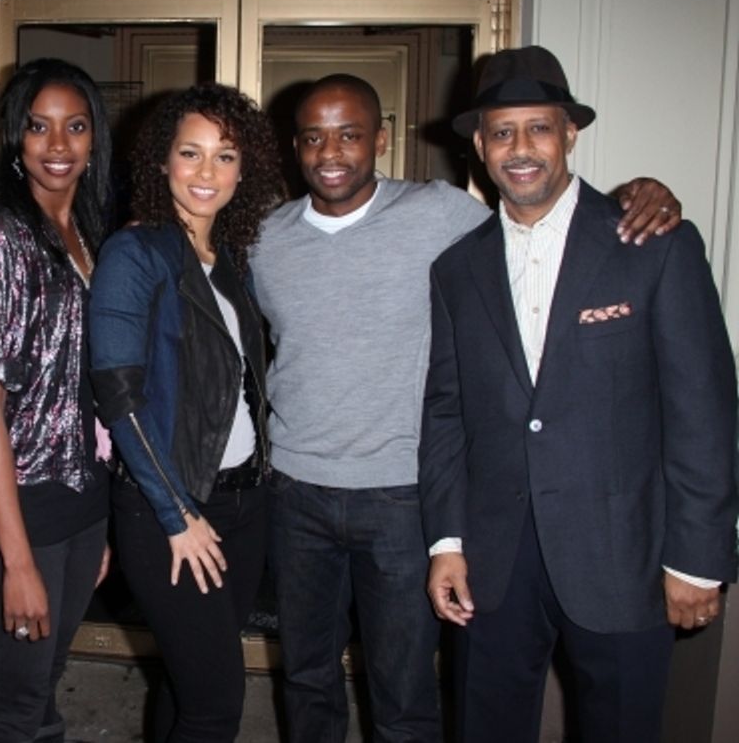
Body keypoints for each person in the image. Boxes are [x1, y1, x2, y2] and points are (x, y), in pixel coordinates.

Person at [250, 72, 685, 742]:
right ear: (295, 146)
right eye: (313, 137)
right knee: (305, 676)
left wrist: (640, 195)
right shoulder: (263, 238)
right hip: (296, 492)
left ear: (381, 140)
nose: (330, 152)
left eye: (349, 135)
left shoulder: (441, 214)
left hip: (401, 494)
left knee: (404, 687)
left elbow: (543, 220)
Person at [419, 45, 738, 743]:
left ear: (569, 133)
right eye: (502, 131)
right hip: (492, 561)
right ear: (479, 145)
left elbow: (704, 412)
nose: (521, 147)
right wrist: (446, 541)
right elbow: (445, 410)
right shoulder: (455, 269)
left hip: (624, 554)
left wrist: (697, 559)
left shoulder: (653, 244)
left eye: (539, 127)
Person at [89, 84, 285, 742]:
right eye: (191, 153)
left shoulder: (227, 259)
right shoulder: (135, 253)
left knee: (188, 684)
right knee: (216, 703)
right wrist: (178, 513)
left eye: (224, 156)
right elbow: (120, 397)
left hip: (240, 504)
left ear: (244, 168)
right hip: (169, 511)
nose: (206, 173)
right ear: (162, 162)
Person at [0, 57, 113, 742]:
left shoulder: (91, 233)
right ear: (15, 138)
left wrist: (98, 515)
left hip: (79, 503)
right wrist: (16, 562)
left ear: (93, 139)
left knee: (42, 688)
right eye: (39, 126)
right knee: (14, 705)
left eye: (74, 126)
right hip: (16, 510)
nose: (57, 144)